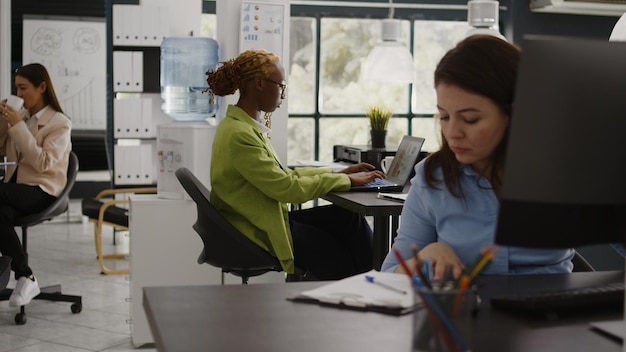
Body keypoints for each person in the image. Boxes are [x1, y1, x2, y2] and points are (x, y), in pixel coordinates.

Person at [381, 35, 574, 280]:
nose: (452, 133)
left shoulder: (561, 170)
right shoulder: (433, 178)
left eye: (470, 119)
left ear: (514, 113)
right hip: (461, 314)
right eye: (444, 117)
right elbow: (389, 273)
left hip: (552, 314)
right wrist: (424, 257)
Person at [205, 49, 385, 280]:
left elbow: (282, 174)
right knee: (345, 258)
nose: (283, 94)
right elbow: (286, 188)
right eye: (280, 86)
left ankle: (371, 283)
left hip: (262, 220)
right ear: (259, 84)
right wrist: (347, 180)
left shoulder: (240, 127)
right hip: (257, 232)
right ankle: (368, 287)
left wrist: (338, 172)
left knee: (348, 219)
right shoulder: (239, 134)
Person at [0, 63, 72, 306]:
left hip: (43, 191)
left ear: (42, 87)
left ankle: (20, 275)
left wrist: (17, 126)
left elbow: (42, 163)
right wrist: (4, 121)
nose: (19, 95)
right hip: (16, 190)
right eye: (16, 89)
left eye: (23, 88)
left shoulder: (60, 123)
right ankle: (25, 275)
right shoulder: (23, 119)